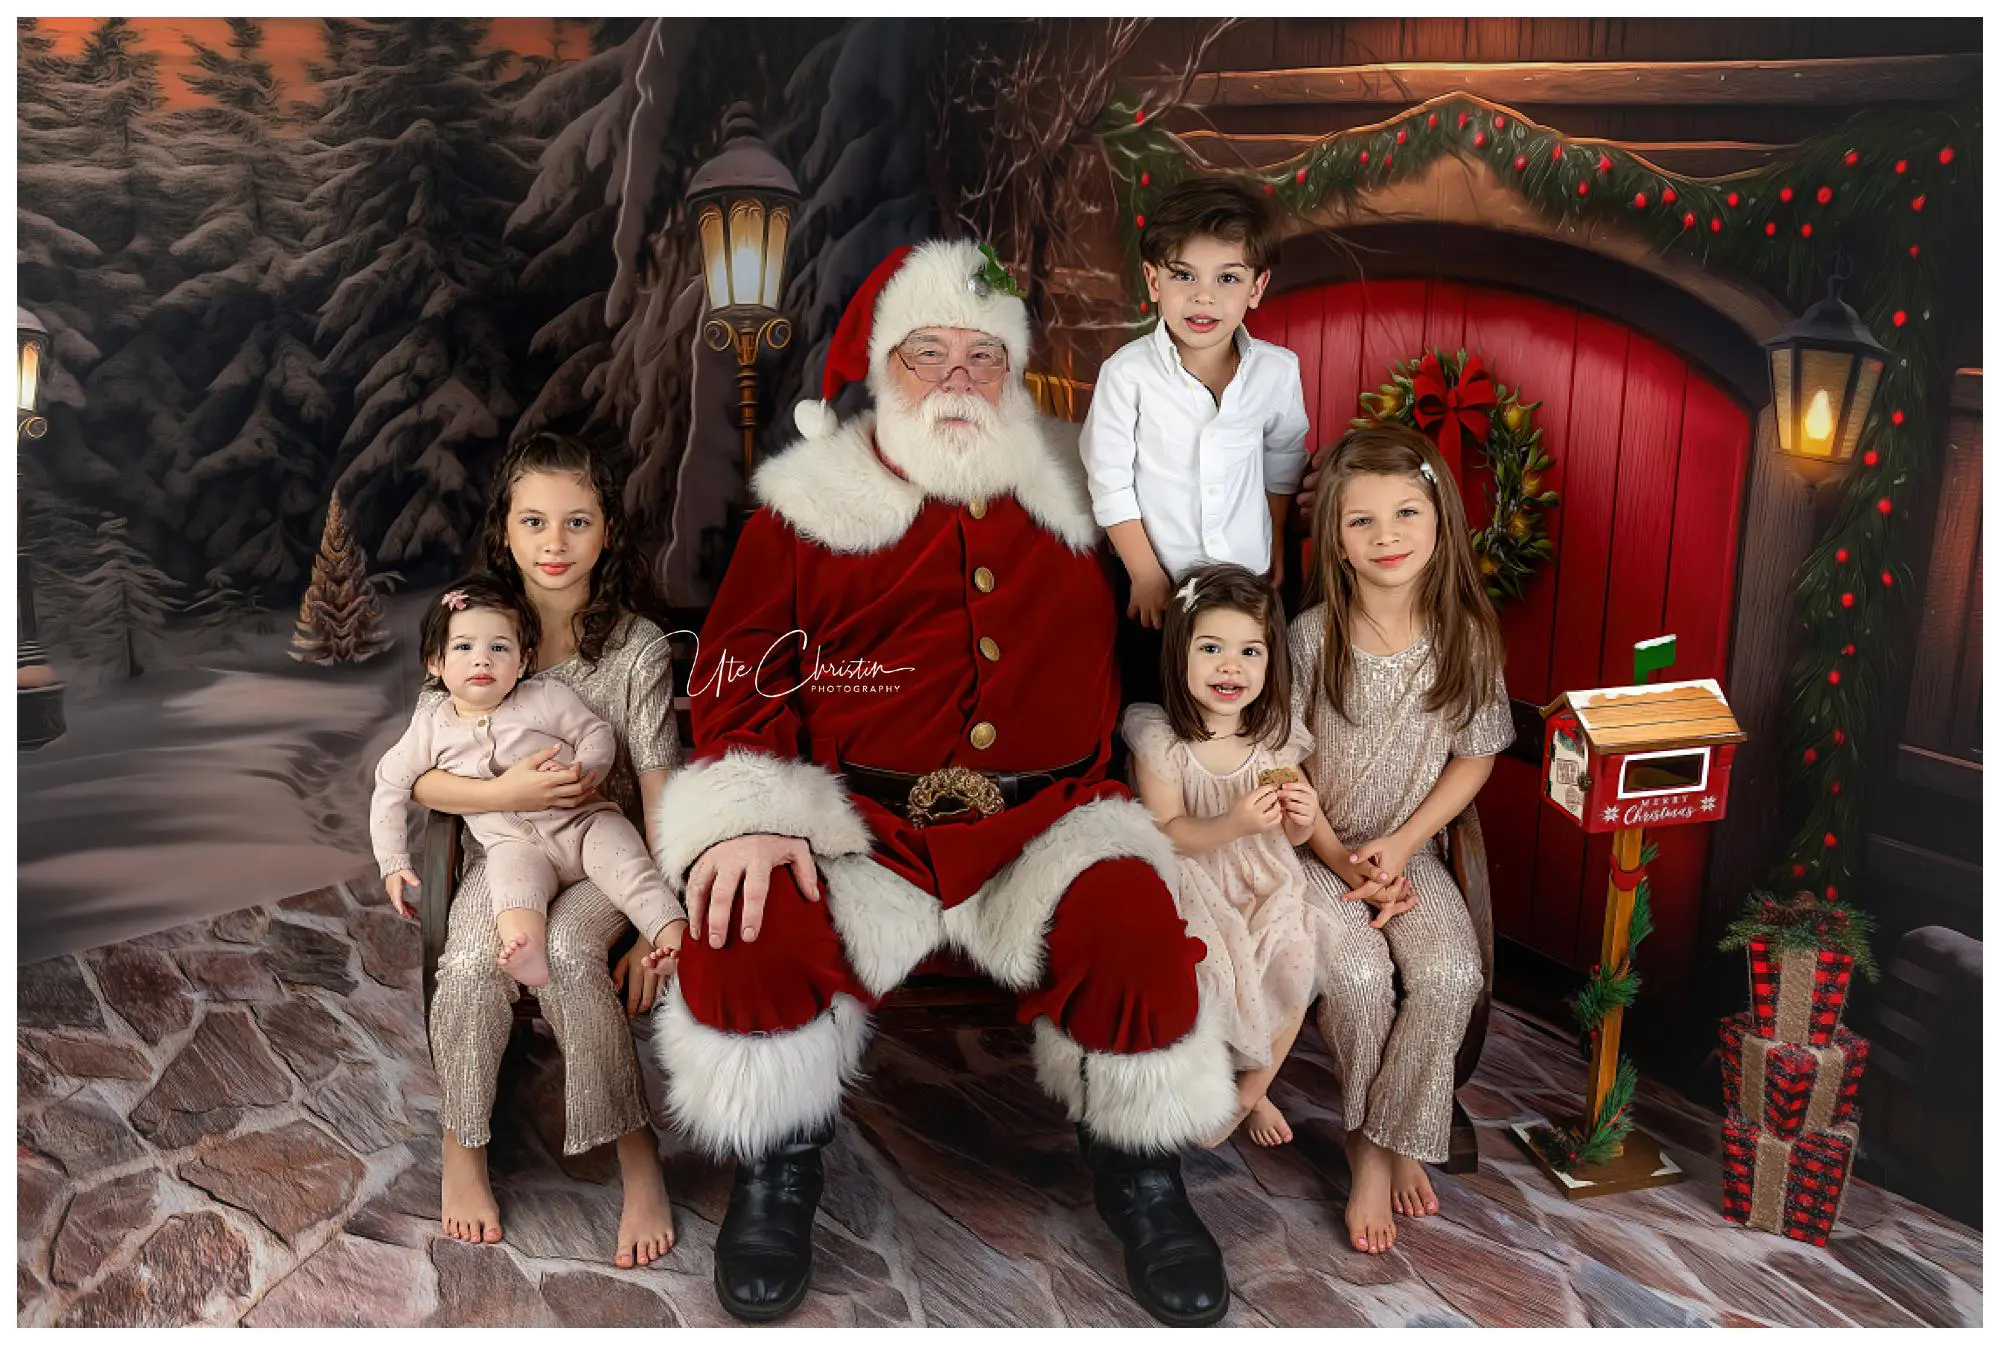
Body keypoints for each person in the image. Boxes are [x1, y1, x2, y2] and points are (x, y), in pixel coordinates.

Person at [653, 240, 1236, 1327]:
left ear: (1013, 373)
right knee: (744, 923)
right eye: (929, 354)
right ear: (880, 367)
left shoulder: (1086, 489)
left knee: (1131, 922)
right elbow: (736, 675)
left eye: (983, 357)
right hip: (861, 826)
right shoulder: (804, 504)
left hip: (1049, 818)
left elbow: (1205, 580)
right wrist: (747, 818)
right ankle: (778, 1169)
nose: (958, 380)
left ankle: (1141, 1174)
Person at [408, 431, 684, 1269]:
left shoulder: (633, 649)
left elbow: (659, 785)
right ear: (507, 532)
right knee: (467, 961)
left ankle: (638, 1159)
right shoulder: (479, 629)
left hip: (607, 852)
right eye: (534, 522)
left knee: (568, 949)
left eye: (576, 522)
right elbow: (422, 778)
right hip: (511, 851)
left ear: (608, 532)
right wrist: (504, 795)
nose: (554, 545)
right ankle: (464, 1146)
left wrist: (646, 925)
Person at [1289, 421, 1513, 1256]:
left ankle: (1385, 1134)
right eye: (1363, 522)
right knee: (1355, 974)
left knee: (1452, 972)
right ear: (1338, 541)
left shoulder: (1467, 636)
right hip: (1317, 850)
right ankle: (1369, 1148)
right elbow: (1285, 772)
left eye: (1407, 514)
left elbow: (1477, 752)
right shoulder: (1312, 638)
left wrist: (1407, 840)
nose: (1387, 537)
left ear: (1440, 521)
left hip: (1409, 851)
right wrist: (1345, 860)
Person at [373, 575, 683, 990]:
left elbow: (597, 733)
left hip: (584, 823)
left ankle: (672, 939)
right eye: (463, 647)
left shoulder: (545, 697)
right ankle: (528, 949)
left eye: (499, 648)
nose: (482, 660)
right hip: (513, 843)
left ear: (522, 661)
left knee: (631, 871)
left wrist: (586, 771)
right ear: (435, 662)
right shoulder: (431, 725)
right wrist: (393, 862)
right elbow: (390, 784)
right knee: (512, 889)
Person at [1121, 563, 1326, 1150]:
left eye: (1250, 650)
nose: (1231, 666)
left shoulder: (1274, 739)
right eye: (1211, 647)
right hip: (1195, 879)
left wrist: (1302, 818)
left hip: (1265, 880)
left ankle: (1245, 1097)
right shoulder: (1162, 739)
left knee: (1294, 960)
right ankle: (1245, 1093)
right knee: (1211, 972)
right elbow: (1166, 831)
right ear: (1178, 654)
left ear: (1270, 659)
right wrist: (1233, 821)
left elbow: (1293, 838)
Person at [1080, 176, 1310, 699]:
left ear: (1256, 287)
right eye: (1184, 275)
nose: (1203, 296)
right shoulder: (1127, 375)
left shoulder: (1277, 371)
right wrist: (1143, 573)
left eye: (1227, 278)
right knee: (1155, 703)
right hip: (1160, 585)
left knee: (1244, 700)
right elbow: (1109, 481)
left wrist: (1274, 541)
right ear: (1153, 281)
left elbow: (1281, 460)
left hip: (1247, 581)